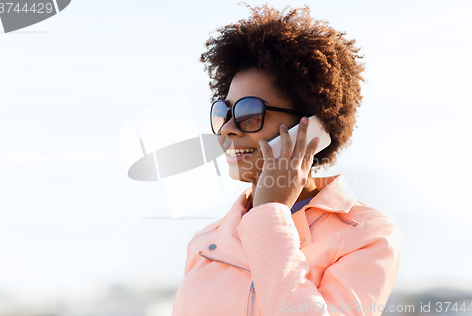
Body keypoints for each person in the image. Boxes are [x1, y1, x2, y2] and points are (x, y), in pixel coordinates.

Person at [172, 4, 402, 316]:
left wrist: (270, 212)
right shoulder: (205, 241)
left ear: (311, 129)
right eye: (222, 112)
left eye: (248, 113)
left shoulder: (367, 233)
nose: (226, 129)